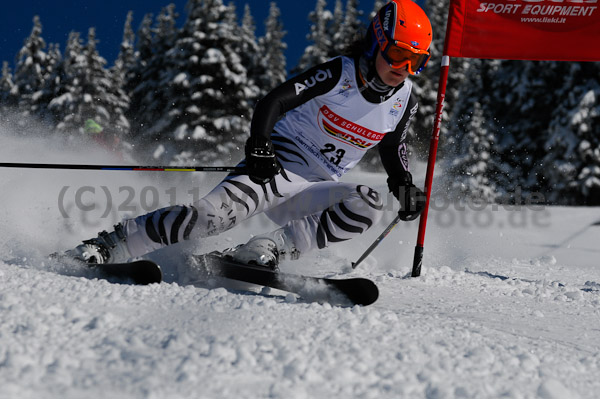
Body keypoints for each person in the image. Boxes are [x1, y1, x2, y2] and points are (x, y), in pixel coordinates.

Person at [66, 0, 430, 269]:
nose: (404, 67)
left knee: (368, 203)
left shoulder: (404, 99)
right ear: (376, 41)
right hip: (277, 167)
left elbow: (392, 143)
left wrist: (403, 184)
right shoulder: (340, 73)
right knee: (207, 220)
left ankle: (266, 250)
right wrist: (259, 145)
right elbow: (275, 101)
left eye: (416, 61)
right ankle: (109, 245)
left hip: (314, 188)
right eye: (398, 53)